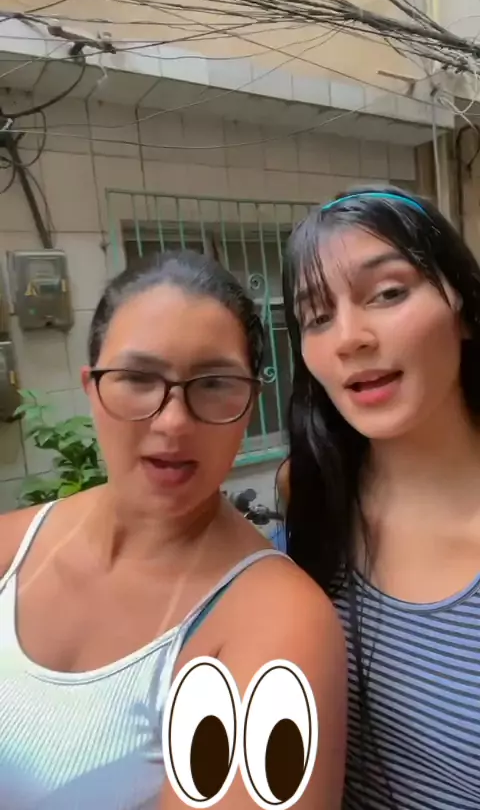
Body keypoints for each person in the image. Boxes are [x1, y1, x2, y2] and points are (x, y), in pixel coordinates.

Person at [0, 249, 346, 810]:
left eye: (213, 383)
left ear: (251, 402)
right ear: (91, 388)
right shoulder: (10, 549)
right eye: (138, 378)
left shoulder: (278, 624)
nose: (173, 421)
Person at [281, 185, 480, 810]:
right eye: (317, 317)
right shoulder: (309, 494)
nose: (349, 338)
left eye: (388, 293)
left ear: (463, 307)